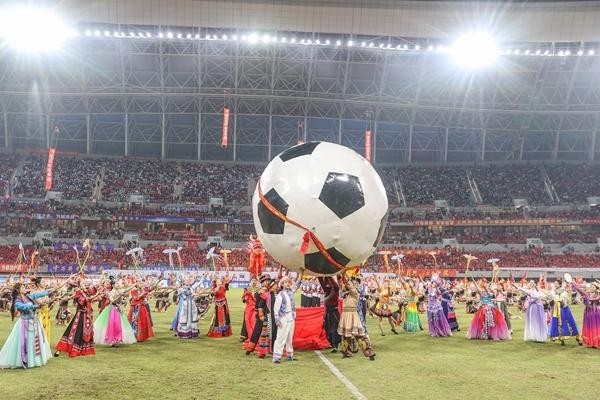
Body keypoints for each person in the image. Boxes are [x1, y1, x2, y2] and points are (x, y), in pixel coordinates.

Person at [0, 282, 53, 369]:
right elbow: (23, 307)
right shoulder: (17, 300)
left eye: (24, 287)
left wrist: (50, 291)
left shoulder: (28, 296)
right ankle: (26, 360)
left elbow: (39, 294)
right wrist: (35, 305)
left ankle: (35, 360)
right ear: (18, 290)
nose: (25, 288)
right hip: (25, 324)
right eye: (23, 287)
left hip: (34, 321)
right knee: (26, 342)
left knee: (34, 342)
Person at [55, 279, 99, 357]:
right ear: (79, 286)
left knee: (83, 332)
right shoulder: (78, 294)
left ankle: (81, 348)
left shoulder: (86, 292)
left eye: (86, 284)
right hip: (79, 316)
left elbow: (94, 289)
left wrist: (102, 279)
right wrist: (96, 295)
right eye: (83, 284)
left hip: (86, 316)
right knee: (74, 331)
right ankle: (62, 348)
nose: (85, 285)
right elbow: (83, 301)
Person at [338, 277, 375, 361]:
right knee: (346, 336)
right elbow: (341, 284)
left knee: (359, 336)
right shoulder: (346, 293)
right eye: (353, 283)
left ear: (357, 285)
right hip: (345, 314)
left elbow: (348, 285)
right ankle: (347, 352)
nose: (353, 285)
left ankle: (368, 352)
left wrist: (344, 275)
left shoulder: (355, 292)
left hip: (352, 314)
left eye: (355, 284)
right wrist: (340, 276)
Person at [93, 278, 137, 346]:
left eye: (118, 283)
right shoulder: (110, 293)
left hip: (119, 309)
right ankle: (113, 340)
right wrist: (119, 296)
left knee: (119, 325)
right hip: (113, 309)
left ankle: (117, 340)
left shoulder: (120, 291)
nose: (118, 284)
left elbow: (127, 289)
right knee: (113, 325)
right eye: (116, 283)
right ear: (113, 285)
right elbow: (112, 301)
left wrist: (135, 284)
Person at [272, 276, 297, 364]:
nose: (287, 284)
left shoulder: (291, 292)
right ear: (282, 284)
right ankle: (277, 357)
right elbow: (276, 308)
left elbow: (297, 284)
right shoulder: (281, 294)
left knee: (290, 337)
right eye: (285, 282)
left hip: (291, 317)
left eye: (288, 282)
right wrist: (277, 319)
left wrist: (300, 275)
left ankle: (290, 354)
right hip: (283, 317)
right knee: (281, 337)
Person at [549, 279, 582, 346]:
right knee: (559, 324)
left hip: (564, 309)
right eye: (554, 283)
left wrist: (563, 303)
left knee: (570, 323)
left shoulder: (564, 292)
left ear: (560, 284)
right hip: (556, 310)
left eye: (556, 283)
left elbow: (568, 301)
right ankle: (562, 339)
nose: (555, 285)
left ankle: (578, 338)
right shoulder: (552, 292)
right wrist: (552, 303)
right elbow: (550, 301)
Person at [573, 281, 600, 348]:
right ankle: (590, 342)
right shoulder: (587, 294)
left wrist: (586, 298)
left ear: (596, 288)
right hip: (588, 312)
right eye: (591, 287)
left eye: (593, 287)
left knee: (594, 327)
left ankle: (595, 342)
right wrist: (575, 285)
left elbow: (594, 299)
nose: (591, 288)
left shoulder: (598, 295)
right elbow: (581, 291)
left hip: (595, 313)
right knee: (588, 326)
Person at [318, 276, 341, 352]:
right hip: (328, 312)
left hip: (334, 312)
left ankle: (335, 345)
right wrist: (319, 275)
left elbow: (334, 284)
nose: (328, 283)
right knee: (327, 328)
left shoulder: (336, 289)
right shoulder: (327, 289)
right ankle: (331, 344)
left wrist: (329, 275)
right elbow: (322, 282)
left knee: (334, 329)